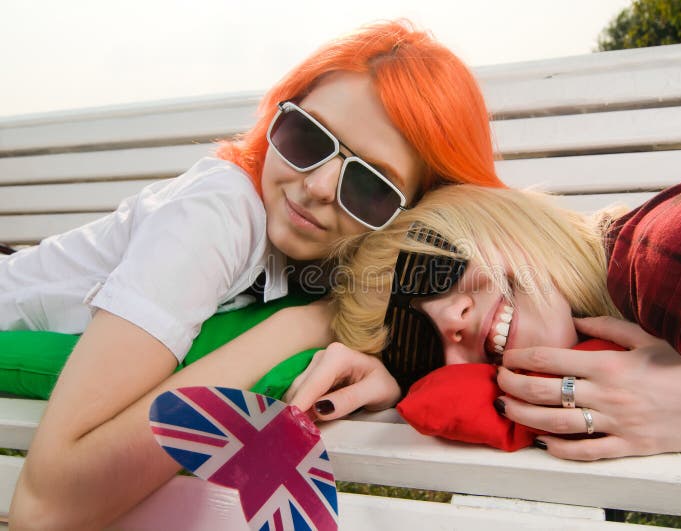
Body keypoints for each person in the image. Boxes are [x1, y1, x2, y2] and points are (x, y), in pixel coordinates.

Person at [1, 20, 504, 529]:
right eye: (308, 137)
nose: (319, 186)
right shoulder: (221, 213)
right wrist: (303, 327)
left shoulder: (342, 262)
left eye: (370, 186)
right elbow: (43, 508)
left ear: (414, 214)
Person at [287, 155, 681, 459]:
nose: (448, 318)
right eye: (415, 343)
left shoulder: (668, 261)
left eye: (429, 268)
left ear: (494, 220)